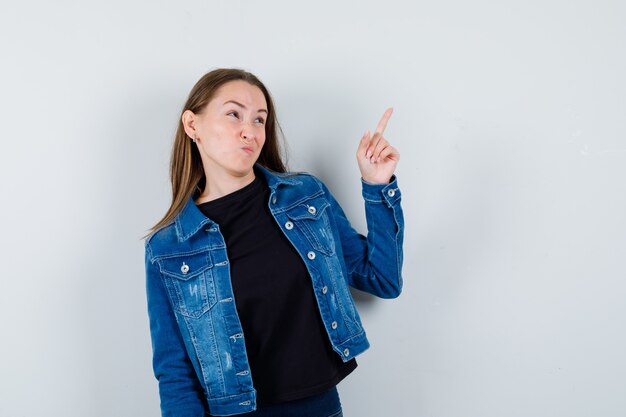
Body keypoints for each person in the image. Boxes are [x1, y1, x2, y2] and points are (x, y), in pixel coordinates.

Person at [144, 68, 404, 417]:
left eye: (259, 120)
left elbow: (382, 279)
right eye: (233, 114)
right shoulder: (169, 247)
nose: (248, 131)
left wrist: (377, 187)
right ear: (193, 125)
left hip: (320, 409)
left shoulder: (305, 197)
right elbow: (174, 372)